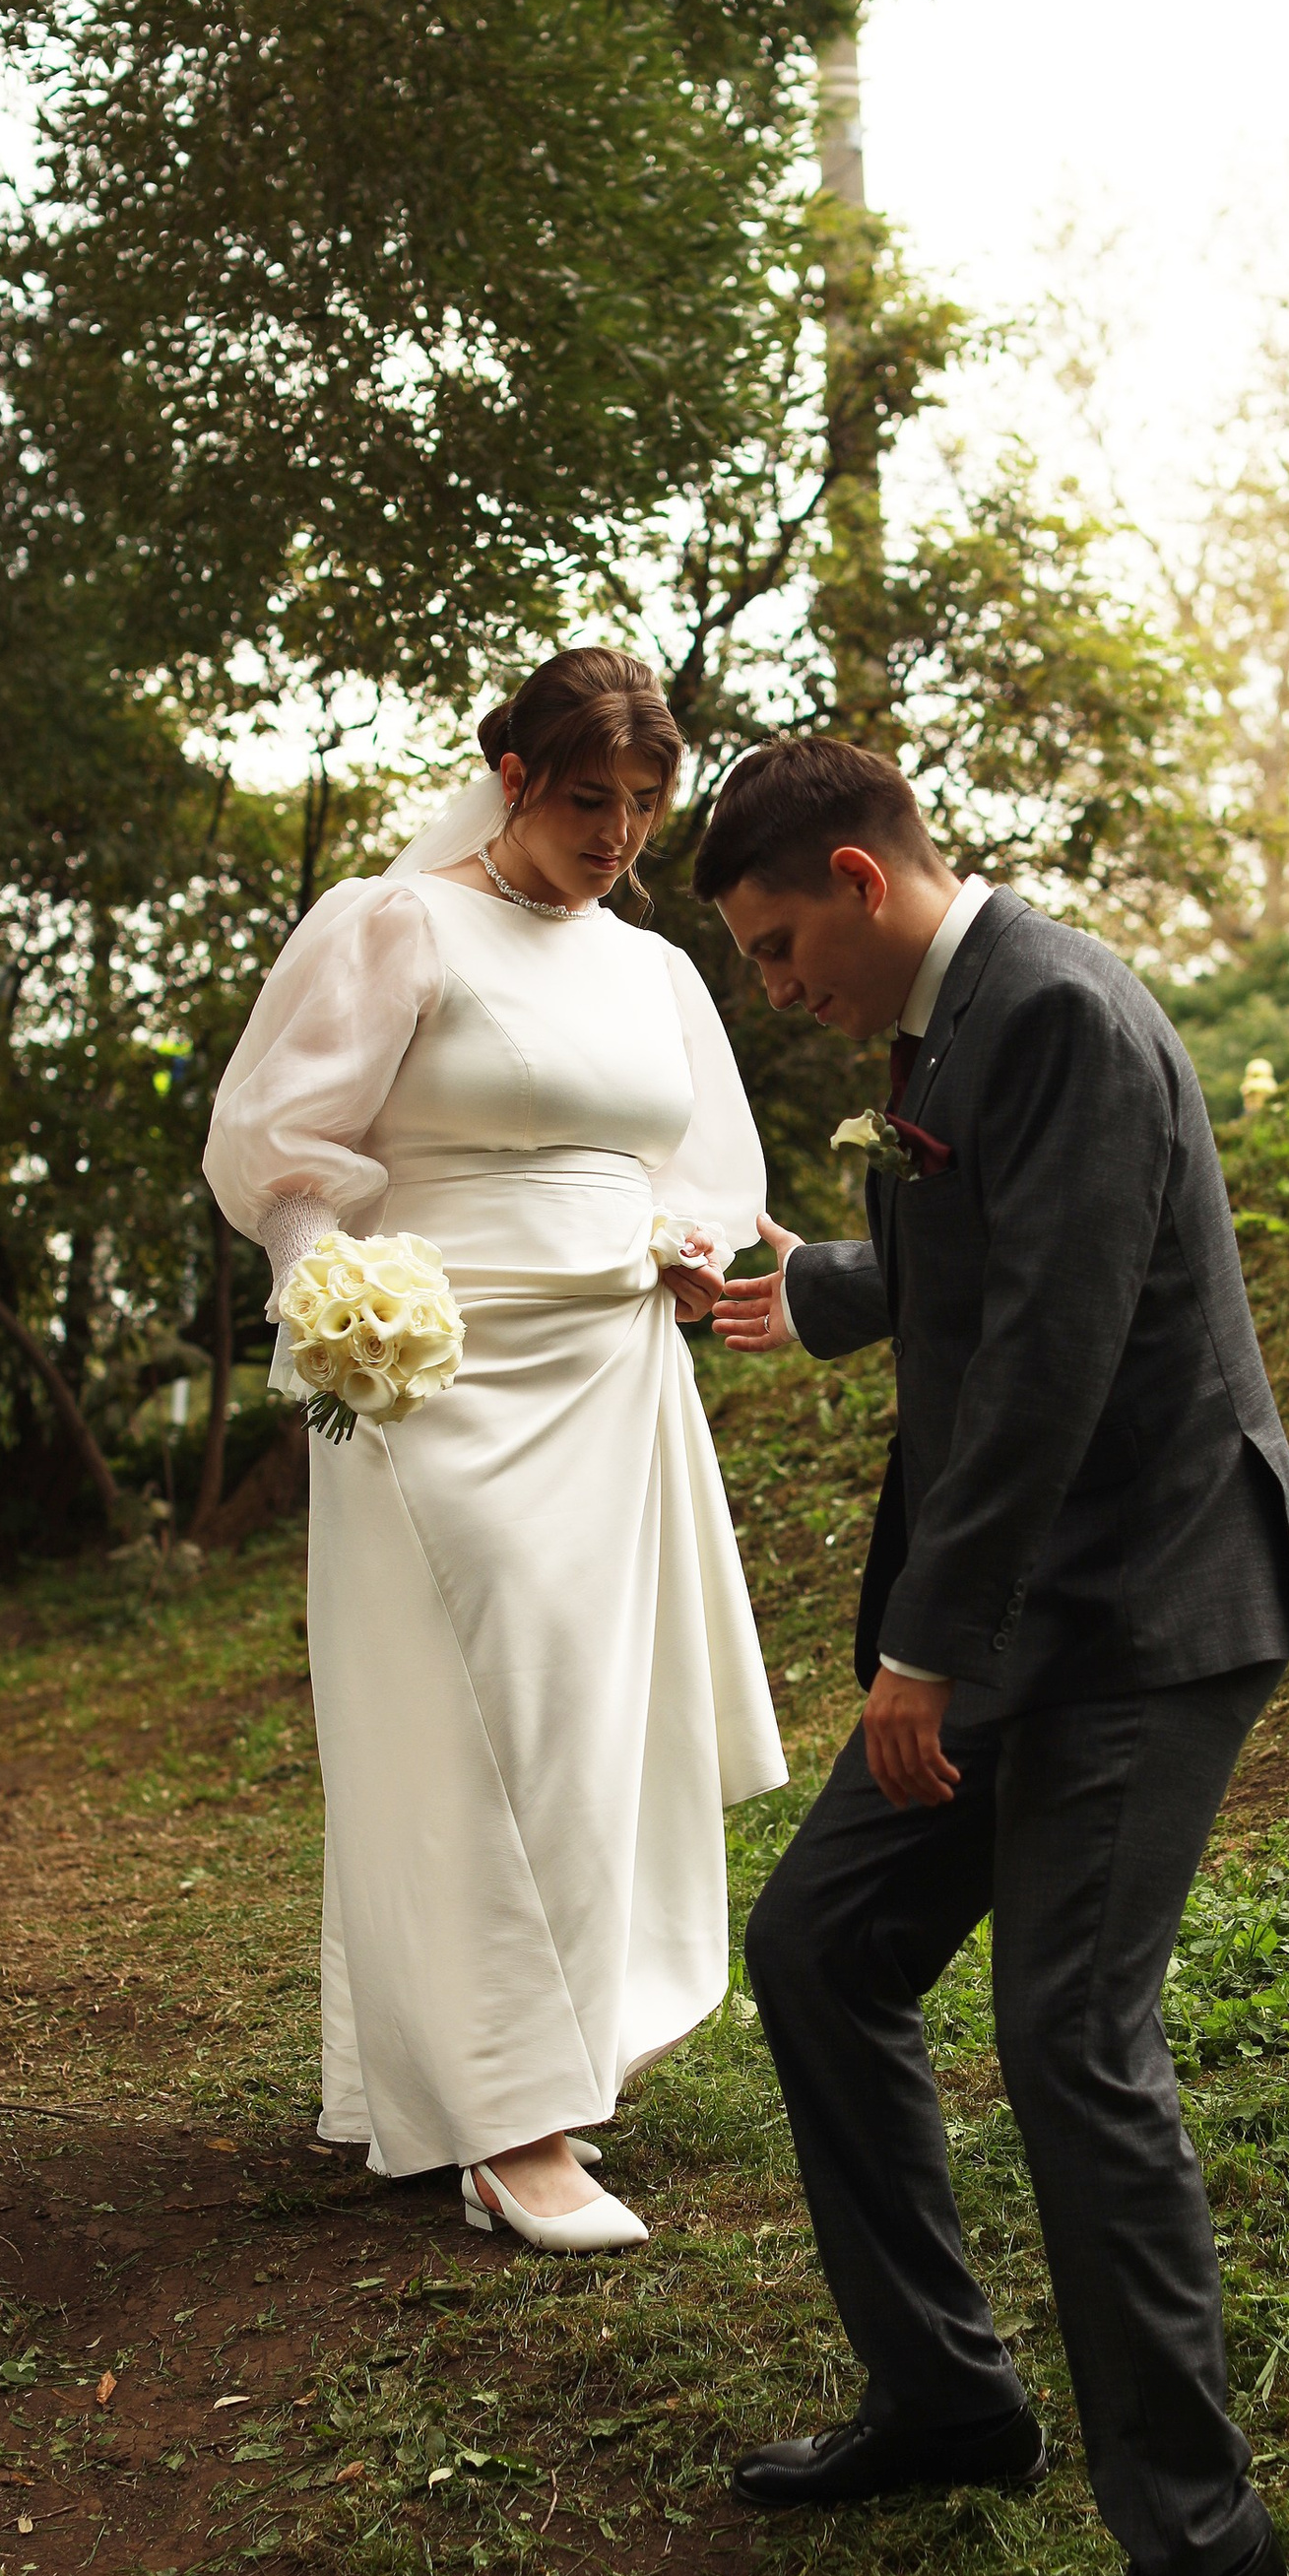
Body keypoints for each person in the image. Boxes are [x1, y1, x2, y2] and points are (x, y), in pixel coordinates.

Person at [699, 740, 1289, 2576]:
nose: (776, 989)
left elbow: (1059, 1352)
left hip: (1140, 1608)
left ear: (863, 883)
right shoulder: (950, 1027)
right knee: (817, 1948)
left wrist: (922, 1649)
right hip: (1024, 1619)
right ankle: (948, 2401)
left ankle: (1202, 2546)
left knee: (1066, 2041)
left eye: (781, 945)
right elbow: (992, 1271)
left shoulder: (1051, 1006)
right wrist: (820, 1290)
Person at [205, 650, 786, 2253]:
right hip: (432, 1380)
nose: (620, 833)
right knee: (476, 1722)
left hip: (610, 1374)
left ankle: (543, 2071)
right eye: (590, 797)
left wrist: (689, 1241)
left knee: (594, 1724)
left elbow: (707, 1165)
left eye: (647, 804)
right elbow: (282, 1153)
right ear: (514, 776)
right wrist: (334, 1301)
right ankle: (504, 2127)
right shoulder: (393, 925)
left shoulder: (653, 972)